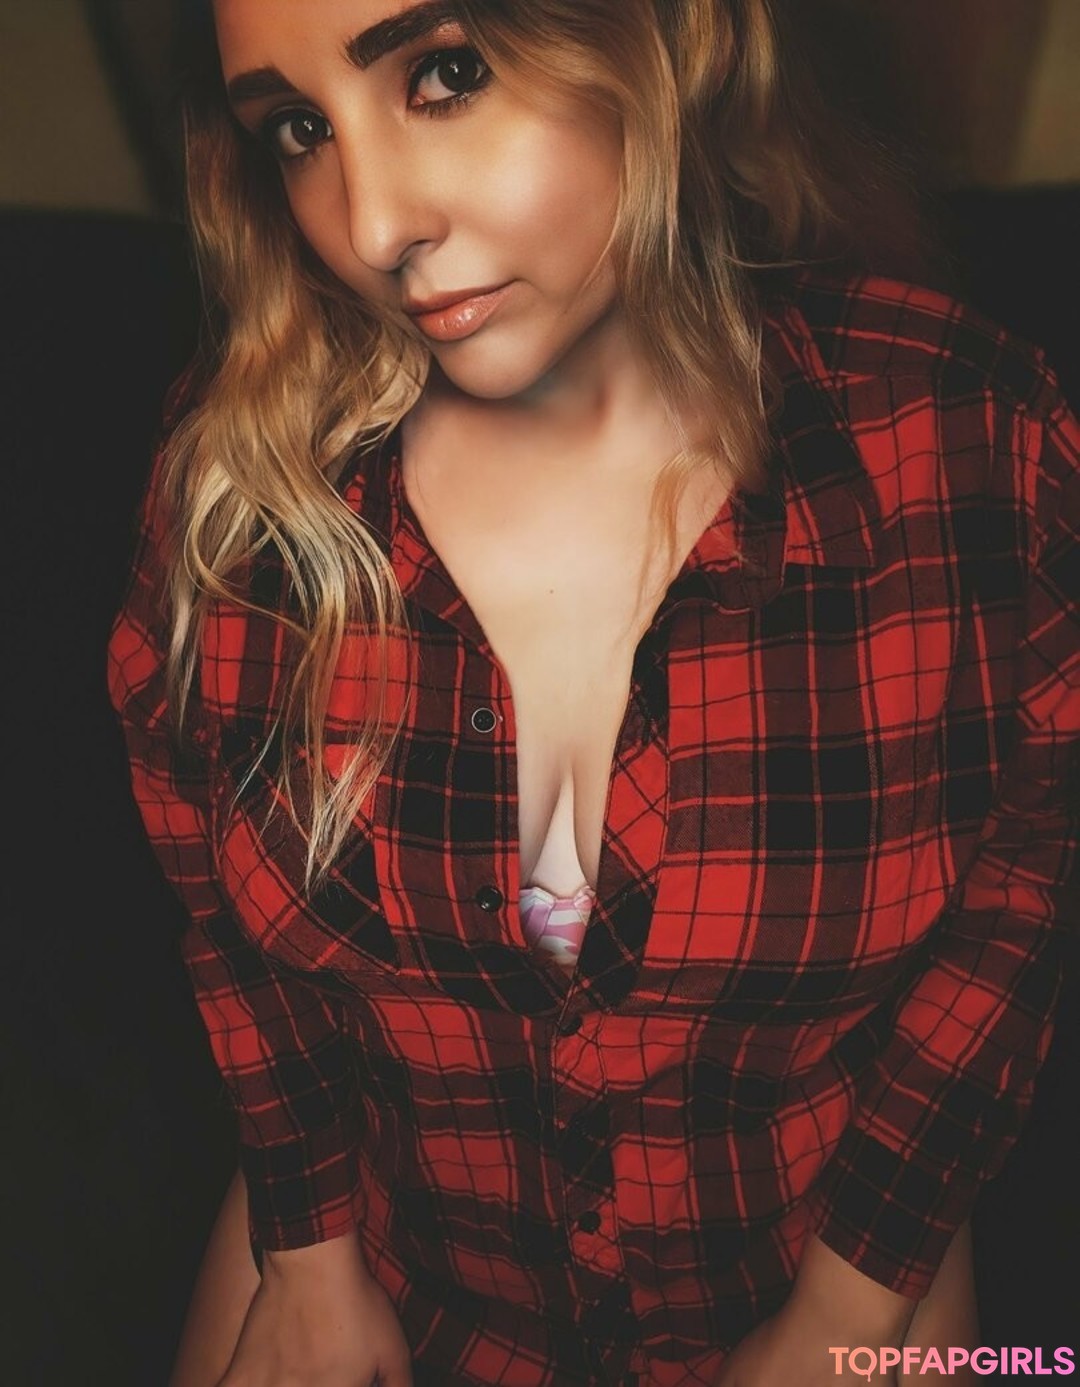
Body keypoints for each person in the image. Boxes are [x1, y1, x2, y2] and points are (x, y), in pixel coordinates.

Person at [107, 0, 1078, 1383]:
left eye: (445, 75)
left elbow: (1011, 913)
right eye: (301, 130)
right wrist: (308, 1252)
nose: (373, 225)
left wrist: (849, 1316)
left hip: (844, 1270)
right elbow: (219, 915)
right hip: (387, 1262)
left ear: (665, 37)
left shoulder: (972, 444)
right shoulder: (242, 497)